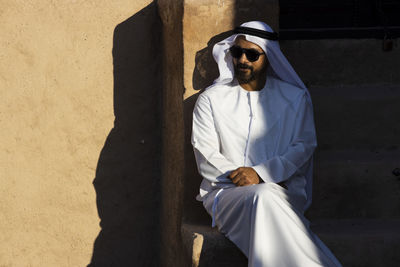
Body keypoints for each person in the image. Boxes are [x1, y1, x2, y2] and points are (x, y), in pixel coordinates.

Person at [191, 21, 342, 267]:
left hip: (282, 192)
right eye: (237, 52)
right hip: (226, 195)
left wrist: (261, 174)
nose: (242, 60)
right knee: (263, 196)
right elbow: (205, 152)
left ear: (268, 57)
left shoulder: (294, 98)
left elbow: (303, 146)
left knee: (266, 194)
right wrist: (241, 177)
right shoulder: (211, 99)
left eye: (252, 54)